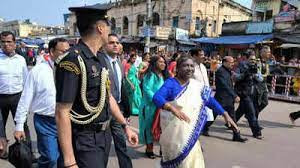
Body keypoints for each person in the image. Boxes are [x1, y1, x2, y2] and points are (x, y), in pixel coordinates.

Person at [55, 4, 138, 168]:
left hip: (102, 136)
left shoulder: (100, 57)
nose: (109, 30)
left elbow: (107, 97)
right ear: (100, 28)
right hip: (83, 139)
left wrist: (124, 125)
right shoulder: (72, 60)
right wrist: (70, 162)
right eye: (108, 26)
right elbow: (61, 111)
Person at [153, 56, 239, 168]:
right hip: (173, 135)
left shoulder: (196, 86)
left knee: (193, 161)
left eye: (191, 66)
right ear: (177, 68)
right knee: (178, 162)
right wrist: (172, 108)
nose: (189, 69)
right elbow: (157, 98)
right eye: (185, 65)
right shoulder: (171, 83)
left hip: (190, 134)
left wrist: (225, 114)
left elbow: (210, 100)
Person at [14, 38, 70, 168]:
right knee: (50, 158)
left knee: (65, 158)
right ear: (51, 51)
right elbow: (25, 98)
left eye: (69, 51)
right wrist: (19, 126)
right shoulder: (38, 71)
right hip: (45, 122)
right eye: (63, 52)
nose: (67, 55)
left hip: (67, 121)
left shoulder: (72, 70)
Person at [103, 33, 132, 168]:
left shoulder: (119, 63)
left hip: (118, 110)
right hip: (103, 111)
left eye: (117, 42)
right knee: (104, 147)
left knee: (121, 144)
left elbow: (121, 87)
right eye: (111, 42)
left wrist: (126, 111)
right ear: (104, 45)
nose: (115, 45)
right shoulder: (100, 62)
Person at [0, 31, 31, 159]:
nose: (6, 44)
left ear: (14, 43)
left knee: (22, 124)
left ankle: (27, 152)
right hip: (0, 98)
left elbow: (26, 82)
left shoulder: (21, 60)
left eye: (9, 42)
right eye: (3, 42)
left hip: (17, 97)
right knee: (0, 127)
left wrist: (26, 103)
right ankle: (2, 151)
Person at [203, 56, 247, 142]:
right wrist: (234, 95)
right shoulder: (220, 72)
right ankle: (204, 128)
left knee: (232, 117)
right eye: (231, 62)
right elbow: (225, 86)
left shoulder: (229, 71)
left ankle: (236, 135)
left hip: (229, 100)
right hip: (221, 99)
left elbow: (231, 84)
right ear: (225, 62)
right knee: (213, 116)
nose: (232, 64)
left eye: (233, 62)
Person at [139, 56, 168, 159]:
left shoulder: (164, 76)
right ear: (155, 63)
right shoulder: (150, 75)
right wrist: (158, 100)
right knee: (149, 128)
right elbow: (147, 90)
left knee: (162, 128)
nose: (163, 64)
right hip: (149, 106)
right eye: (160, 62)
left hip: (162, 107)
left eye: (164, 62)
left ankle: (162, 149)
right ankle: (149, 149)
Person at [234, 54, 264, 139]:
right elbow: (236, 77)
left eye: (254, 60)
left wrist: (255, 75)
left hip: (253, 94)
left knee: (241, 110)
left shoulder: (255, 68)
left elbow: (261, 79)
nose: (253, 61)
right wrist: (245, 74)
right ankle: (257, 132)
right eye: (251, 59)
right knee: (252, 113)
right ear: (246, 59)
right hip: (244, 93)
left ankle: (230, 123)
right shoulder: (241, 67)